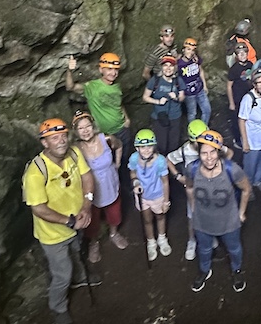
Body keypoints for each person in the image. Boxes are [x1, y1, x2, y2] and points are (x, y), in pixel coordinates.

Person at [22, 118, 100, 324]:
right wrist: (70, 221)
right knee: (62, 273)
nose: (61, 141)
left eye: (63, 136)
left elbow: (87, 177)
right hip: (53, 234)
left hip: (77, 222)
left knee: (77, 254)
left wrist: (86, 206)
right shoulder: (36, 172)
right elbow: (39, 208)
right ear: (44, 143)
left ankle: (81, 277)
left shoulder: (74, 153)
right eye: (54, 138)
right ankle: (58, 307)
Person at [185, 130, 251, 293]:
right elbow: (189, 187)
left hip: (229, 221)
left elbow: (246, 189)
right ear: (198, 154)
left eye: (212, 152)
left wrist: (241, 213)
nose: (209, 157)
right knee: (204, 248)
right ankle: (204, 270)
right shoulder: (192, 169)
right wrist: (193, 208)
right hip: (202, 220)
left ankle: (236, 270)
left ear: (219, 152)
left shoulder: (231, 169)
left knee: (234, 248)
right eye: (204, 153)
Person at [167, 119, 233, 261]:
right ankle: (192, 241)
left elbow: (229, 153)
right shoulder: (185, 150)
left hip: (212, 188)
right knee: (192, 216)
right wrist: (178, 176)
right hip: (194, 189)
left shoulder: (212, 144)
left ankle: (211, 237)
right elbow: (169, 159)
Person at [71, 110, 128, 264]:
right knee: (93, 218)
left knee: (114, 212)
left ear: (93, 126)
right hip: (91, 190)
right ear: (76, 131)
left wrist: (117, 164)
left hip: (110, 183)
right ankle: (93, 242)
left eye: (87, 126)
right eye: (81, 128)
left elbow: (119, 146)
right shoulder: (76, 149)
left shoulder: (106, 139)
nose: (85, 131)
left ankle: (113, 233)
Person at [65, 52, 131, 161]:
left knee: (125, 159)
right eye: (109, 69)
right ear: (101, 70)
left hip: (122, 129)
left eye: (116, 69)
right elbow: (70, 87)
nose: (113, 73)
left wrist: (127, 118)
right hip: (105, 134)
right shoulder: (92, 87)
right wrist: (69, 70)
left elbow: (118, 103)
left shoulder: (117, 86)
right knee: (109, 161)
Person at [129, 129, 172, 261]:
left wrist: (166, 201)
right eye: (142, 147)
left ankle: (162, 238)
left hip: (158, 195)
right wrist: (135, 182)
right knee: (147, 220)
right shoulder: (134, 159)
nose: (146, 150)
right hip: (143, 197)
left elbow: (165, 182)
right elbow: (133, 172)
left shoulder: (160, 161)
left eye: (149, 146)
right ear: (137, 148)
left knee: (160, 217)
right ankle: (151, 241)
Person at [142, 55, 185, 155]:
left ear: (174, 68)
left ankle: (172, 162)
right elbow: (145, 97)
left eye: (171, 65)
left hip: (175, 117)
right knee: (161, 145)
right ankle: (162, 162)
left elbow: (182, 97)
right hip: (159, 117)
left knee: (174, 144)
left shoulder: (178, 81)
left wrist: (176, 98)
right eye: (165, 65)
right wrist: (158, 101)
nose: (168, 68)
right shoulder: (155, 81)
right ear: (161, 67)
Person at [178, 37, 211, 125]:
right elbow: (176, 79)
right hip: (188, 93)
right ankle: (192, 130)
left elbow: (201, 71)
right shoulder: (179, 64)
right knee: (192, 113)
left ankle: (204, 127)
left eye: (193, 50)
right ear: (183, 50)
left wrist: (205, 85)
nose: (191, 52)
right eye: (188, 49)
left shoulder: (195, 59)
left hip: (199, 89)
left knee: (207, 110)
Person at [227, 41, 254, 147]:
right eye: (239, 53)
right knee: (237, 120)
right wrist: (231, 103)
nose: (242, 55)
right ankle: (238, 139)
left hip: (249, 96)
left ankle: (248, 136)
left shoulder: (251, 65)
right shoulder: (234, 69)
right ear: (236, 55)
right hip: (238, 98)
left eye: (244, 52)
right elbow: (229, 86)